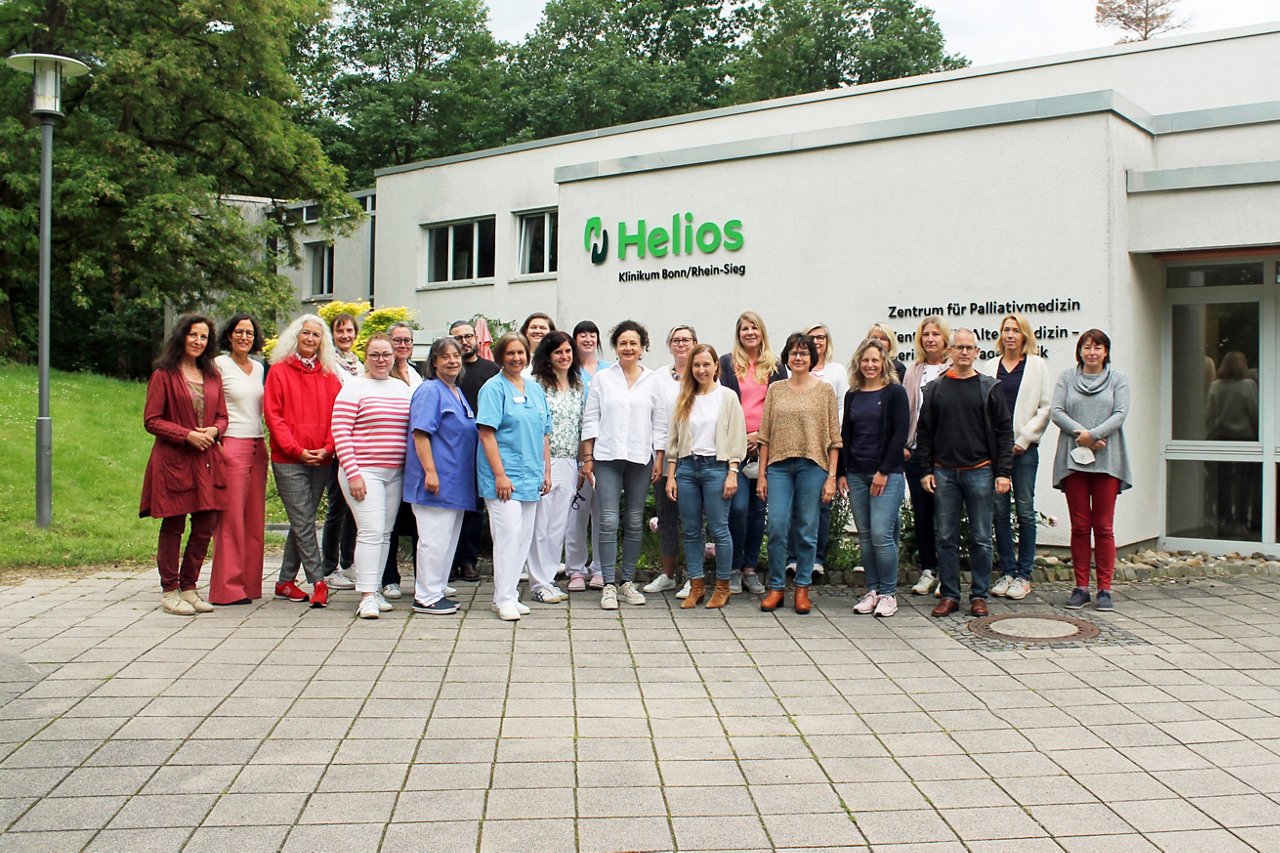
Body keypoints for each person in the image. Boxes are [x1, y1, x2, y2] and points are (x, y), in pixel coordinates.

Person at [916, 329, 1013, 618]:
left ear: (977, 352)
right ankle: (950, 595)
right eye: (959, 347)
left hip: (980, 471)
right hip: (944, 473)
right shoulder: (935, 389)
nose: (964, 352)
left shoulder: (989, 388)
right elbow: (924, 433)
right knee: (945, 537)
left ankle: (979, 596)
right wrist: (925, 470)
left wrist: (1003, 472)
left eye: (969, 348)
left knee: (982, 537)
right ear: (950, 351)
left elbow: (1003, 432)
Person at [140, 314, 228, 616]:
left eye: (204, 337)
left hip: (206, 461)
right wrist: (187, 435)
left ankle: (189, 586)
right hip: (174, 461)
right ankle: (169, 589)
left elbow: (222, 417)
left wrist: (215, 431)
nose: (198, 341)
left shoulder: (212, 374)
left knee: (205, 525)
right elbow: (152, 421)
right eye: (193, 335)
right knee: (173, 524)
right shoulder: (164, 374)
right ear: (182, 336)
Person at [581, 320, 668, 610]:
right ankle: (607, 583)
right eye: (623, 343)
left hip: (641, 460)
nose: (628, 348)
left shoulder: (653, 380)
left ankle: (627, 581)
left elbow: (660, 422)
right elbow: (591, 418)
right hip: (607, 457)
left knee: (633, 520)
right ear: (616, 347)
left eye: (634, 343)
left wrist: (658, 457)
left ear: (642, 347)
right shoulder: (603, 379)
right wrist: (589, 457)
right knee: (607, 520)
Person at [757, 333, 841, 614]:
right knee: (777, 526)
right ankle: (777, 587)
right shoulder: (775, 390)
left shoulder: (825, 390)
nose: (798, 357)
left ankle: (802, 587)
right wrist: (761, 474)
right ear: (786, 357)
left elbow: (834, 438)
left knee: (807, 528)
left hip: (813, 466)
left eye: (804, 353)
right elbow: (765, 436)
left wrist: (831, 476)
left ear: (812, 358)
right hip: (779, 466)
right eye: (793, 353)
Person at [331, 334, 412, 619]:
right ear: (366, 356)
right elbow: (340, 431)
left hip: (395, 473)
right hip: (363, 472)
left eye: (386, 355)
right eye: (375, 355)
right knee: (370, 531)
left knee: (385, 534)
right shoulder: (354, 388)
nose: (381, 360)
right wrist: (353, 473)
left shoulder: (403, 389)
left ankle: (375, 587)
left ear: (394, 357)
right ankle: (366, 595)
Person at [265, 314, 342, 608]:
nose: (310, 339)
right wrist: (297, 450)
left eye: (316, 335)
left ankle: (285, 581)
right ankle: (318, 581)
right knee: (303, 520)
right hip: (289, 459)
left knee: (303, 521)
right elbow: (274, 416)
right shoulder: (279, 371)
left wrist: (327, 448)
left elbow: (339, 417)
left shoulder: (329, 375)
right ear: (296, 336)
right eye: (305, 333)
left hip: (321, 458)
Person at [1052, 329, 1131, 612]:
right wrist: (1082, 435)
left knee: (1104, 526)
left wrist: (1095, 435)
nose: (1092, 352)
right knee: (1081, 525)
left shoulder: (1118, 380)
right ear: (1080, 350)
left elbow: (1120, 414)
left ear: (1106, 351)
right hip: (1074, 459)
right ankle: (1081, 587)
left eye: (1098, 347)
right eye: (1087, 347)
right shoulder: (1066, 378)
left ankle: (1105, 589)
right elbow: (1057, 411)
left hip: (1107, 459)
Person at [665, 344, 746, 609]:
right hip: (688, 469)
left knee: (720, 529)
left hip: (716, 468)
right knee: (690, 530)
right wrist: (671, 475)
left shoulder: (727, 397)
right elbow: (674, 440)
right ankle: (696, 585)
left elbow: (737, 436)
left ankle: (723, 586)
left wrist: (732, 472)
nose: (701, 369)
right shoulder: (685, 396)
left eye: (705, 364)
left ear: (715, 366)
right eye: (696, 365)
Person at [478, 332, 552, 621]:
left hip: (531, 476)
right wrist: (500, 475)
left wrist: (546, 471)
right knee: (507, 537)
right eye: (510, 353)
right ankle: (503, 598)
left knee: (522, 538)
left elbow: (544, 433)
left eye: (521, 352)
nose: (516, 358)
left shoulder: (535, 390)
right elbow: (486, 433)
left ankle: (510, 593)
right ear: (500, 356)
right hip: (504, 478)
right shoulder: (493, 389)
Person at [981, 314, 1052, 601]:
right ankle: (1007, 571)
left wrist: (1024, 439)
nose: (1010, 335)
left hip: (1023, 450)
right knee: (998, 511)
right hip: (995, 450)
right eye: (1006, 330)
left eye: (1016, 330)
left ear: (1024, 336)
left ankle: (1024, 574)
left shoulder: (1036, 365)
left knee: (1024, 509)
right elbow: (983, 408)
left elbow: (1045, 408)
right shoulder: (990, 366)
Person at [837, 339, 909, 618]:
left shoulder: (895, 393)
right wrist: (842, 472)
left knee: (881, 534)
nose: (869, 365)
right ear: (859, 363)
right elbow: (846, 435)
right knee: (866, 536)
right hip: (856, 473)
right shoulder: (853, 395)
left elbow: (898, 435)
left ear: (884, 364)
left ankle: (889, 593)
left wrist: (883, 471)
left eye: (875, 361)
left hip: (886, 474)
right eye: (865, 360)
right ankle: (873, 590)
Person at [406, 336, 477, 615]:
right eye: (445, 356)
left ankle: (436, 588)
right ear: (433, 361)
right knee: (433, 539)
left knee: (446, 539)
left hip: (455, 482)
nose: (452, 361)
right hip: (436, 481)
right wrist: (431, 472)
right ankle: (425, 595)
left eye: (456, 356)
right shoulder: (430, 391)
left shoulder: (456, 391)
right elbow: (421, 433)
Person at [719, 311, 787, 595]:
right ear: (738, 333)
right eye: (744, 328)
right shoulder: (726, 363)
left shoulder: (775, 366)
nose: (749, 333)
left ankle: (750, 569)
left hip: (765, 447)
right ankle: (733, 568)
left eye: (754, 328)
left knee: (759, 510)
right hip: (735, 446)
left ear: (762, 332)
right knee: (738, 507)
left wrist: (760, 436)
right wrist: (741, 436)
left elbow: (781, 405)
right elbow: (720, 403)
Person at [209, 313, 267, 606]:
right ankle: (226, 589)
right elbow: (209, 403)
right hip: (231, 444)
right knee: (231, 520)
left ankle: (249, 585)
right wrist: (216, 441)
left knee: (254, 519)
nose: (245, 337)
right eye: (239, 332)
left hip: (258, 445)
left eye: (250, 332)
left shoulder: (258, 368)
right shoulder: (219, 365)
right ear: (229, 335)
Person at [527, 331, 584, 604]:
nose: (564, 356)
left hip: (570, 461)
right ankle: (537, 582)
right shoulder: (536, 384)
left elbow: (583, 426)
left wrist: (585, 462)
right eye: (558, 352)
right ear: (548, 356)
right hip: (542, 461)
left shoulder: (578, 385)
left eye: (568, 351)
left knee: (558, 525)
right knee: (540, 523)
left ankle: (548, 578)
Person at [786, 323, 846, 579]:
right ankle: (792, 558)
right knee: (792, 508)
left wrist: (831, 436)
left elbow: (841, 408)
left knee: (819, 506)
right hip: (793, 448)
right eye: (812, 338)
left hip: (824, 447)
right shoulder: (786, 378)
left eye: (821, 337)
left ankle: (816, 559)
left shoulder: (837, 371)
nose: (817, 341)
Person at [645, 324, 696, 595]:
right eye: (676, 340)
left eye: (686, 340)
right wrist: (658, 456)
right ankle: (668, 574)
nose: (681, 344)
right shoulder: (658, 378)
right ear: (669, 345)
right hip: (664, 458)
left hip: (694, 458)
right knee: (666, 517)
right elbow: (657, 419)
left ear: (695, 343)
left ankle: (693, 576)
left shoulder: (704, 372)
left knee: (692, 519)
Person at [902, 316, 952, 597]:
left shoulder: (953, 368)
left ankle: (948, 572)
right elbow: (907, 410)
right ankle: (928, 568)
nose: (930, 339)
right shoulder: (914, 370)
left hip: (946, 453)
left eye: (935, 334)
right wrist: (905, 444)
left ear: (945, 338)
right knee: (922, 513)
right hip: (917, 451)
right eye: (925, 335)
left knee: (946, 514)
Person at [449, 319, 499, 583]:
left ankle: (468, 560)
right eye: (458, 337)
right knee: (451, 505)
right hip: (451, 449)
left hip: (481, 446)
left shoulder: (491, 370)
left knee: (475, 508)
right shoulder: (447, 371)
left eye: (468, 336)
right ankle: (450, 561)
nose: (464, 341)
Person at [564, 320, 613, 591]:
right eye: (582, 334)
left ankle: (600, 569)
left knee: (603, 513)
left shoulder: (609, 371)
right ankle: (575, 570)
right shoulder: (569, 371)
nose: (587, 339)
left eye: (592, 334)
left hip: (605, 452)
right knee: (577, 514)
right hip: (576, 452)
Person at [321, 312, 364, 591]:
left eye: (349, 330)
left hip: (358, 444)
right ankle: (328, 567)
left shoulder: (358, 364)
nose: (345, 335)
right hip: (337, 442)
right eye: (340, 331)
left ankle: (348, 563)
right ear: (332, 334)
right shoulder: (329, 364)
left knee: (352, 508)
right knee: (336, 507)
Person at [381, 322, 423, 600]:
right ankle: (389, 579)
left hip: (415, 457)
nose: (403, 345)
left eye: (407, 340)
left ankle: (425, 579)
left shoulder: (417, 374)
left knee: (418, 520)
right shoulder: (384, 375)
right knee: (390, 521)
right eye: (397, 341)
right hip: (391, 454)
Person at [1206, 351, 1259, 538]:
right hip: (1245, 439)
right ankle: (1242, 520)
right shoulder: (1248, 386)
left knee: (1223, 481)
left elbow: (1209, 415)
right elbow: (1254, 412)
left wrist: (1207, 438)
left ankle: (1224, 518)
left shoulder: (1215, 387)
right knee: (1244, 483)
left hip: (1221, 438)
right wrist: (1260, 435)